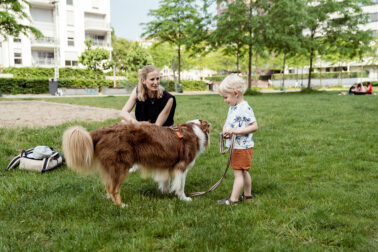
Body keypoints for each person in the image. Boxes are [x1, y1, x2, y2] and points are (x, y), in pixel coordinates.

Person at [120, 65, 176, 173]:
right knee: (124, 123)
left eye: (158, 79)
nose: (156, 82)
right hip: (143, 127)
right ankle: (134, 159)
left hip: (162, 132)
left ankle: (141, 158)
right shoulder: (137, 91)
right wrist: (135, 123)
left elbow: (157, 127)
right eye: (152, 79)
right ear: (143, 80)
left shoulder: (168, 99)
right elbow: (123, 112)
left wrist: (139, 128)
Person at [217, 74, 258, 205]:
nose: (225, 100)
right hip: (237, 146)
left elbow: (254, 126)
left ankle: (233, 200)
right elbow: (228, 122)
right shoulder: (233, 107)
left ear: (235, 93)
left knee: (238, 174)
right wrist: (226, 131)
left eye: (226, 97)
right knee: (244, 171)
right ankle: (247, 195)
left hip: (242, 147)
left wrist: (236, 131)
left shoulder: (245, 108)